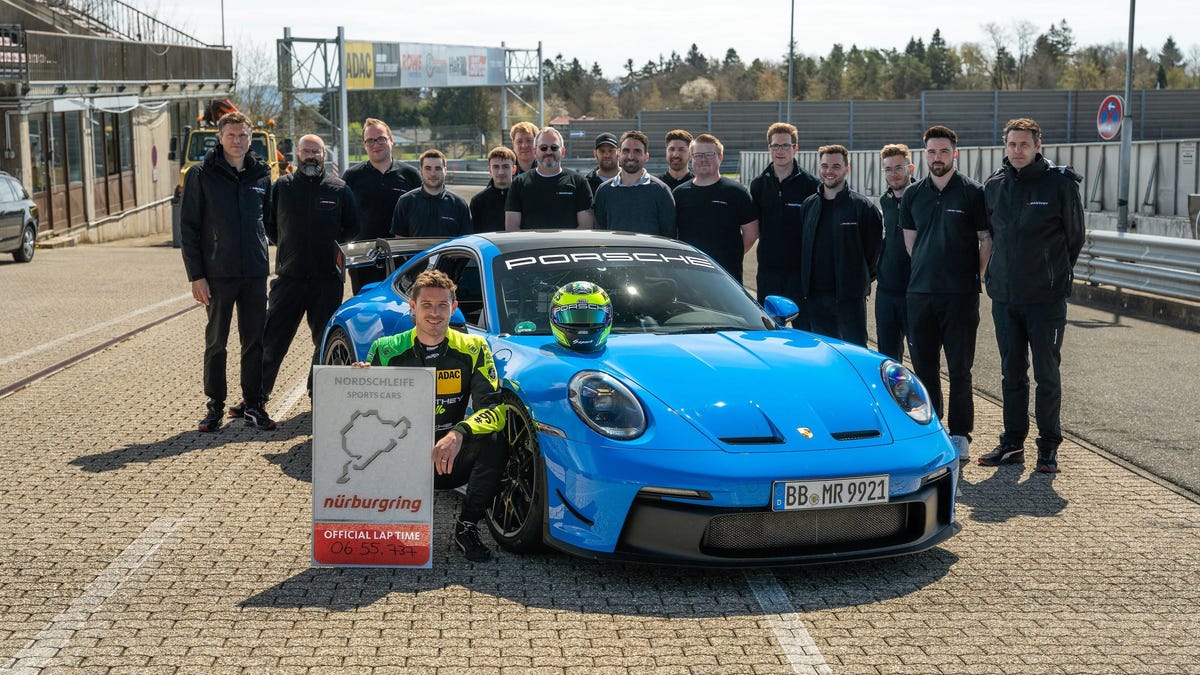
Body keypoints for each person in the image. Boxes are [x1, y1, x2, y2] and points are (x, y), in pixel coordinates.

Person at [352, 270, 507, 562]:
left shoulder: (474, 348)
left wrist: (458, 432)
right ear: (412, 307)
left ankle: (467, 526)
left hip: (447, 459)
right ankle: (381, 521)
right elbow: (361, 415)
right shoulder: (385, 350)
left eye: (442, 305)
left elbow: (494, 410)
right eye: (426, 305)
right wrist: (355, 384)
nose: (434, 313)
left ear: (454, 308)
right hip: (397, 457)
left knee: (495, 440)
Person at [979, 118, 1084, 474]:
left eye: (1024, 144)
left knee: (1047, 374)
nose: (1018, 151)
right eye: (1012, 144)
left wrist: (1053, 273)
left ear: (1039, 144)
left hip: (1046, 299)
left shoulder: (1059, 183)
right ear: (1005, 146)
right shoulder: (994, 185)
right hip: (1006, 299)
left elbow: (1075, 238)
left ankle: (1048, 447)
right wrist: (992, 276)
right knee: (1012, 374)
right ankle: (1012, 444)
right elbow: (990, 235)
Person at [235, 134, 358, 419]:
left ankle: (320, 398)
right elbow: (269, 225)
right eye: (306, 151)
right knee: (271, 340)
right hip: (289, 279)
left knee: (324, 341)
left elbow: (352, 229)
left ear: (324, 155)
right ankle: (256, 398)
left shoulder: (339, 189)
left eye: (316, 151)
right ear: (297, 155)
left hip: (327, 282)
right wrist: (290, 248)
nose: (311, 156)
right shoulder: (282, 188)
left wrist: (327, 250)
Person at [900, 125, 991, 464]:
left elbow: (986, 239)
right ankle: (931, 429)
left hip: (961, 296)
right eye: (931, 152)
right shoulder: (913, 194)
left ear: (955, 153)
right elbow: (911, 241)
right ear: (925, 155)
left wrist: (973, 277)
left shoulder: (972, 193)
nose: (937, 158)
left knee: (960, 369)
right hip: (920, 294)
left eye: (943, 152)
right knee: (924, 367)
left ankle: (960, 433)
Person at [179, 111, 275, 432]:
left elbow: (271, 222)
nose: (238, 141)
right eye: (232, 135)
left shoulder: (262, 174)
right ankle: (215, 406)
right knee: (216, 343)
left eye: (243, 136)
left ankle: (253, 404)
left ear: (251, 138)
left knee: (254, 342)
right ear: (219, 137)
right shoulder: (201, 175)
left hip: (254, 273)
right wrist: (196, 276)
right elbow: (189, 229)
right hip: (217, 274)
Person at [795, 144, 882, 346]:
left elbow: (874, 252)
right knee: (824, 354)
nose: (829, 171)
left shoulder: (862, 207)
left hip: (849, 300)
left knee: (854, 354)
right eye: (825, 166)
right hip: (816, 298)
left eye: (835, 166)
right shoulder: (809, 205)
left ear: (846, 169)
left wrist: (857, 282)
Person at [341, 118, 420, 293]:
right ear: (364, 145)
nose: (375, 144)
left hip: (403, 259)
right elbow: (341, 217)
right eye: (370, 140)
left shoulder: (411, 175)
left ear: (391, 140)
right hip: (364, 260)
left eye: (381, 139)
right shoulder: (352, 177)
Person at [749, 122, 819, 315]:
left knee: (803, 330)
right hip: (768, 271)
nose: (780, 151)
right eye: (775, 146)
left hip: (799, 273)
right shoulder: (758, 185)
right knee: (769, 328)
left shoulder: (811, 186)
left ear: (795, 148)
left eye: (785, 145)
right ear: (769, 148)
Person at [672, 133, 758, 283]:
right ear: (691, 158)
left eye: (709, 154)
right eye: (698, 155)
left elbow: (751, 234)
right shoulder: (679, 194)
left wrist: (730, 255)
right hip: (688, 274)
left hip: (726, 275)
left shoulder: (737, 192)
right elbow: (674, 234)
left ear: (720, 157)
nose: (703, 159)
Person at [504, 127, 594, 231]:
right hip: (531, 247)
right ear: (534, 151)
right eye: (543, 148)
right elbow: (512, 228)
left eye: (554, 147)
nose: (549, 152)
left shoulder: (579, 183)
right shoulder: (519, 183)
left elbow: (586, 227)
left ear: (563, 151)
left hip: (567, 247)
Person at [875, 143, 916, 360]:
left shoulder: (923, 198)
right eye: (888, 169)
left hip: (915, 292)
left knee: (922, 358)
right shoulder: (885, 201)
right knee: (888, 359)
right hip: (887, 292)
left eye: (899, 168)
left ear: (911, 168)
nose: (894, 174)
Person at [592, 130, 675, 237]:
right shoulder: (603, 191)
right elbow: (600, 233)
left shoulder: (661, 191)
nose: (631, 156)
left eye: (637, 151)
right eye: (626, 151)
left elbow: (669, 235)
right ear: (619, 153)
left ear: (646, 156)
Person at [390, 149, 472, 237]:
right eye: (428, 168)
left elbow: (466, 240)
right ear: (421, 171)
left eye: (438, 168)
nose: (433, 173)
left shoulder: (459, 204)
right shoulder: (405, 202)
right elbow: (400, 240)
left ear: (445, 171)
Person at [469, 146, 516, 233]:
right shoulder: (478, 201)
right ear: (489, 170)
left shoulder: (523, 197)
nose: (501, 172)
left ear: (514, 169)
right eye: (496, 167)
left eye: (505, 167)